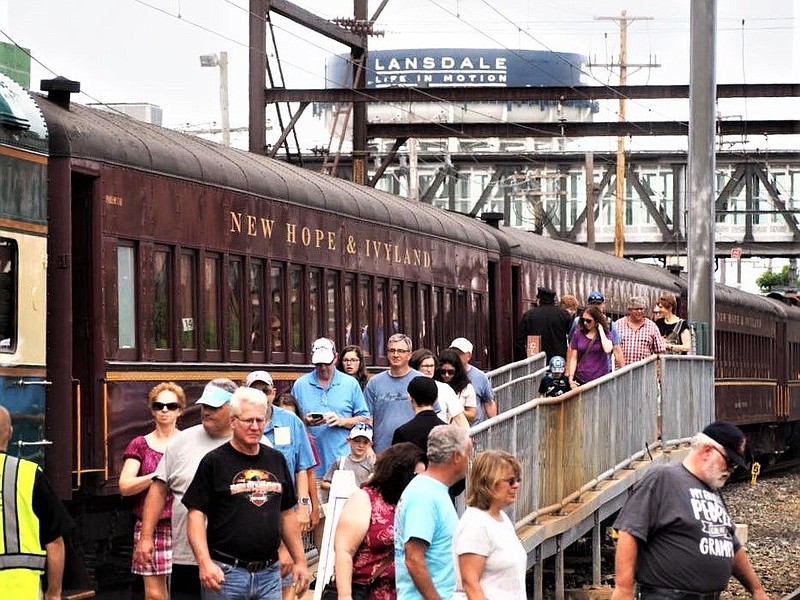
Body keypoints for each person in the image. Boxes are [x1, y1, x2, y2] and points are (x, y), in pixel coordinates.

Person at [612, 421, 769, 600]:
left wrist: (757, 589)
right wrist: (623, 589)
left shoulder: (713, 491)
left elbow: (730, 544)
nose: (730, 470)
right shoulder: (663, 478)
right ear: (708, 450)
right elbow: (630, 531)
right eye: (729, 461)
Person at [183, 387, 309, 600]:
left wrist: (300, 560)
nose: (255, 427)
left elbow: (286, 513)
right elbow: (195, 515)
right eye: (248, 420)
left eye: (260, 421)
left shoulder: (276, 460)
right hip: (226, 573)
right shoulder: (214, 462)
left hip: (270, 573)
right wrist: (204, 563)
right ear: (233, 421)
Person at [133, 378, 235, 600]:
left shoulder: (249, 442)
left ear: (232, 408)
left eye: (214, 407)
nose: (206, 411)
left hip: (232, 560)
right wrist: (146, 537)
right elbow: (158, 490)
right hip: (186, 556)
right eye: (204, 405)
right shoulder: (182, 442)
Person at [245, 371, 316, 600]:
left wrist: (304, 504)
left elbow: (302, 467)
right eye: (255, 390)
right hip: (251, 510)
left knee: (287, 576)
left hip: (285, 509)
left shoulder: (291, 421)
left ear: (273, 393)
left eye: (265, 391)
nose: (261, 396)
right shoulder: (240, 424)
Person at [332, 442, 425, 600]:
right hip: (365, 593)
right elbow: (344, 552)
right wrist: (345, 596)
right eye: (416, 476)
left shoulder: (414, 504)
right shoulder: (364, 499)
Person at [0, 405, 73, 600]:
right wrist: (54, 593)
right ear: (10, 433)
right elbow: (55, 542)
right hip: (20, 590)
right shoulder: (28, 475)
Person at [119, 382, 185, 600]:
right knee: (155, 594)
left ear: (180, 410)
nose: (164, 410)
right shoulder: (140, 444)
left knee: (186, 588)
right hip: (151, 526)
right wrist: (157, 475)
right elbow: (125, 486)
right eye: (159, 405)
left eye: (171, 405)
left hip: (185, 524)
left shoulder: (188, 443)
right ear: (152, 410)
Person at [394, 425, 472, 600]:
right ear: (457, 457)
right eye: (468, 454)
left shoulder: (432, 490)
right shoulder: (425, 495)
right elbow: (413, 558)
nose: (469, 461)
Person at [452, 450, 527, 600]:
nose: (516, 485)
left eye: (518, 480)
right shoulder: (475, 524)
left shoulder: (502, 518)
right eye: (510, 481)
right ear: (489, 483)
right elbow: (470, 584)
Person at [292, 337, 370, 478]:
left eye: (326, 363)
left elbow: (365, 420)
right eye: (318, 363)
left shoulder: (350, 384)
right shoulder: (300, 385)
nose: (322, 368)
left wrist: (341, 421)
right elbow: (291, 420)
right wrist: (305, 420)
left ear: (335, 358)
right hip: (310, 465)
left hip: (343, 466)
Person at [364, 334, 423, 453]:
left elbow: (431, 414)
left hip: (415, 451)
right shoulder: (374, 382)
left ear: (409, 355)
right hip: (382, 452)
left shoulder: (421, 380)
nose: (396, 355)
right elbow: (367, 419)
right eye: (392, 350)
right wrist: (368, 446)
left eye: (400, 351)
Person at [408, 349, 469, 429]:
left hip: (439, 436)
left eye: (431, 366)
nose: (429, 370)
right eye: (425, 366)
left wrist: (467, 437)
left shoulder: (444, 388)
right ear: (416, 367)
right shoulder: (407, 388)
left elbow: (459, 417)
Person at [514, 286, 572, 361]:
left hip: (535, 360)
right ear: (553, 300)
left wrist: (524, 358)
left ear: (539, 299)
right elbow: (572, 336)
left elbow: (519, 340)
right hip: (558, 361)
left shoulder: (529, 315)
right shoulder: (564, 315)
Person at [570, 291, 625, 370]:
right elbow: (571, 348)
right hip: (581, 370)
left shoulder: (609, 324)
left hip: (602, 371)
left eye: (598, 304)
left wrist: (623, 371)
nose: (596, 307)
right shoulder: (578, 322)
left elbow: (616, 349)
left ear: (603, 305)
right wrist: (569, 372)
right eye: (593, 304)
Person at [391, 376, 446, 453]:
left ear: (410, 398)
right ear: (436, 398)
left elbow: (396, 462)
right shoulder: (448, 431)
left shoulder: (402, 432)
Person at [449, 338, 497, 424]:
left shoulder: (480, 376)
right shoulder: (445, 373)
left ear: (469, 356)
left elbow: (489, 402)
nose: (456, 356)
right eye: (453, 353)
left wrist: (494, 426)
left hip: (475, 430)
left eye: (459, 354)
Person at [322, 423, 376, 495]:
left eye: (365, 442)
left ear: (370, 444)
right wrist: (338, 488)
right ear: (349, 441)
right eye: (357, 441)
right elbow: (324, 483)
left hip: (362, 501)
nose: (361, 445)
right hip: (341, 501)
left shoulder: (372, 464)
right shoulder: (340, 462)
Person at [566, 306, 613, 388]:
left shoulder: (606, 335)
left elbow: (608, 349)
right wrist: (571, 378)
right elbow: (574, 357)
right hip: (580, 377)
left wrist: (601, 330)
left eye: (588, 321)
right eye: (583, 320)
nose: (585, 323)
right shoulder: (578, 334)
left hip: (600, 379)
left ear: (596, 321)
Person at [617, 296, 666, 364]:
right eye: (636, 309)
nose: (639, 311)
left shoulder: (652, 326)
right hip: (622, 371)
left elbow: (660, 351)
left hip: (645, 371)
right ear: (629, 310)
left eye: (641, 309)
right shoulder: (618, 325)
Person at [436, 348, 477, 424]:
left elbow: (472, 415)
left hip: (457, 430)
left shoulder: (466, 387)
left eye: (450, 372)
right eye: (443, 372)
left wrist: (454, 409)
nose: (446, 375)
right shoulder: (434, 385)